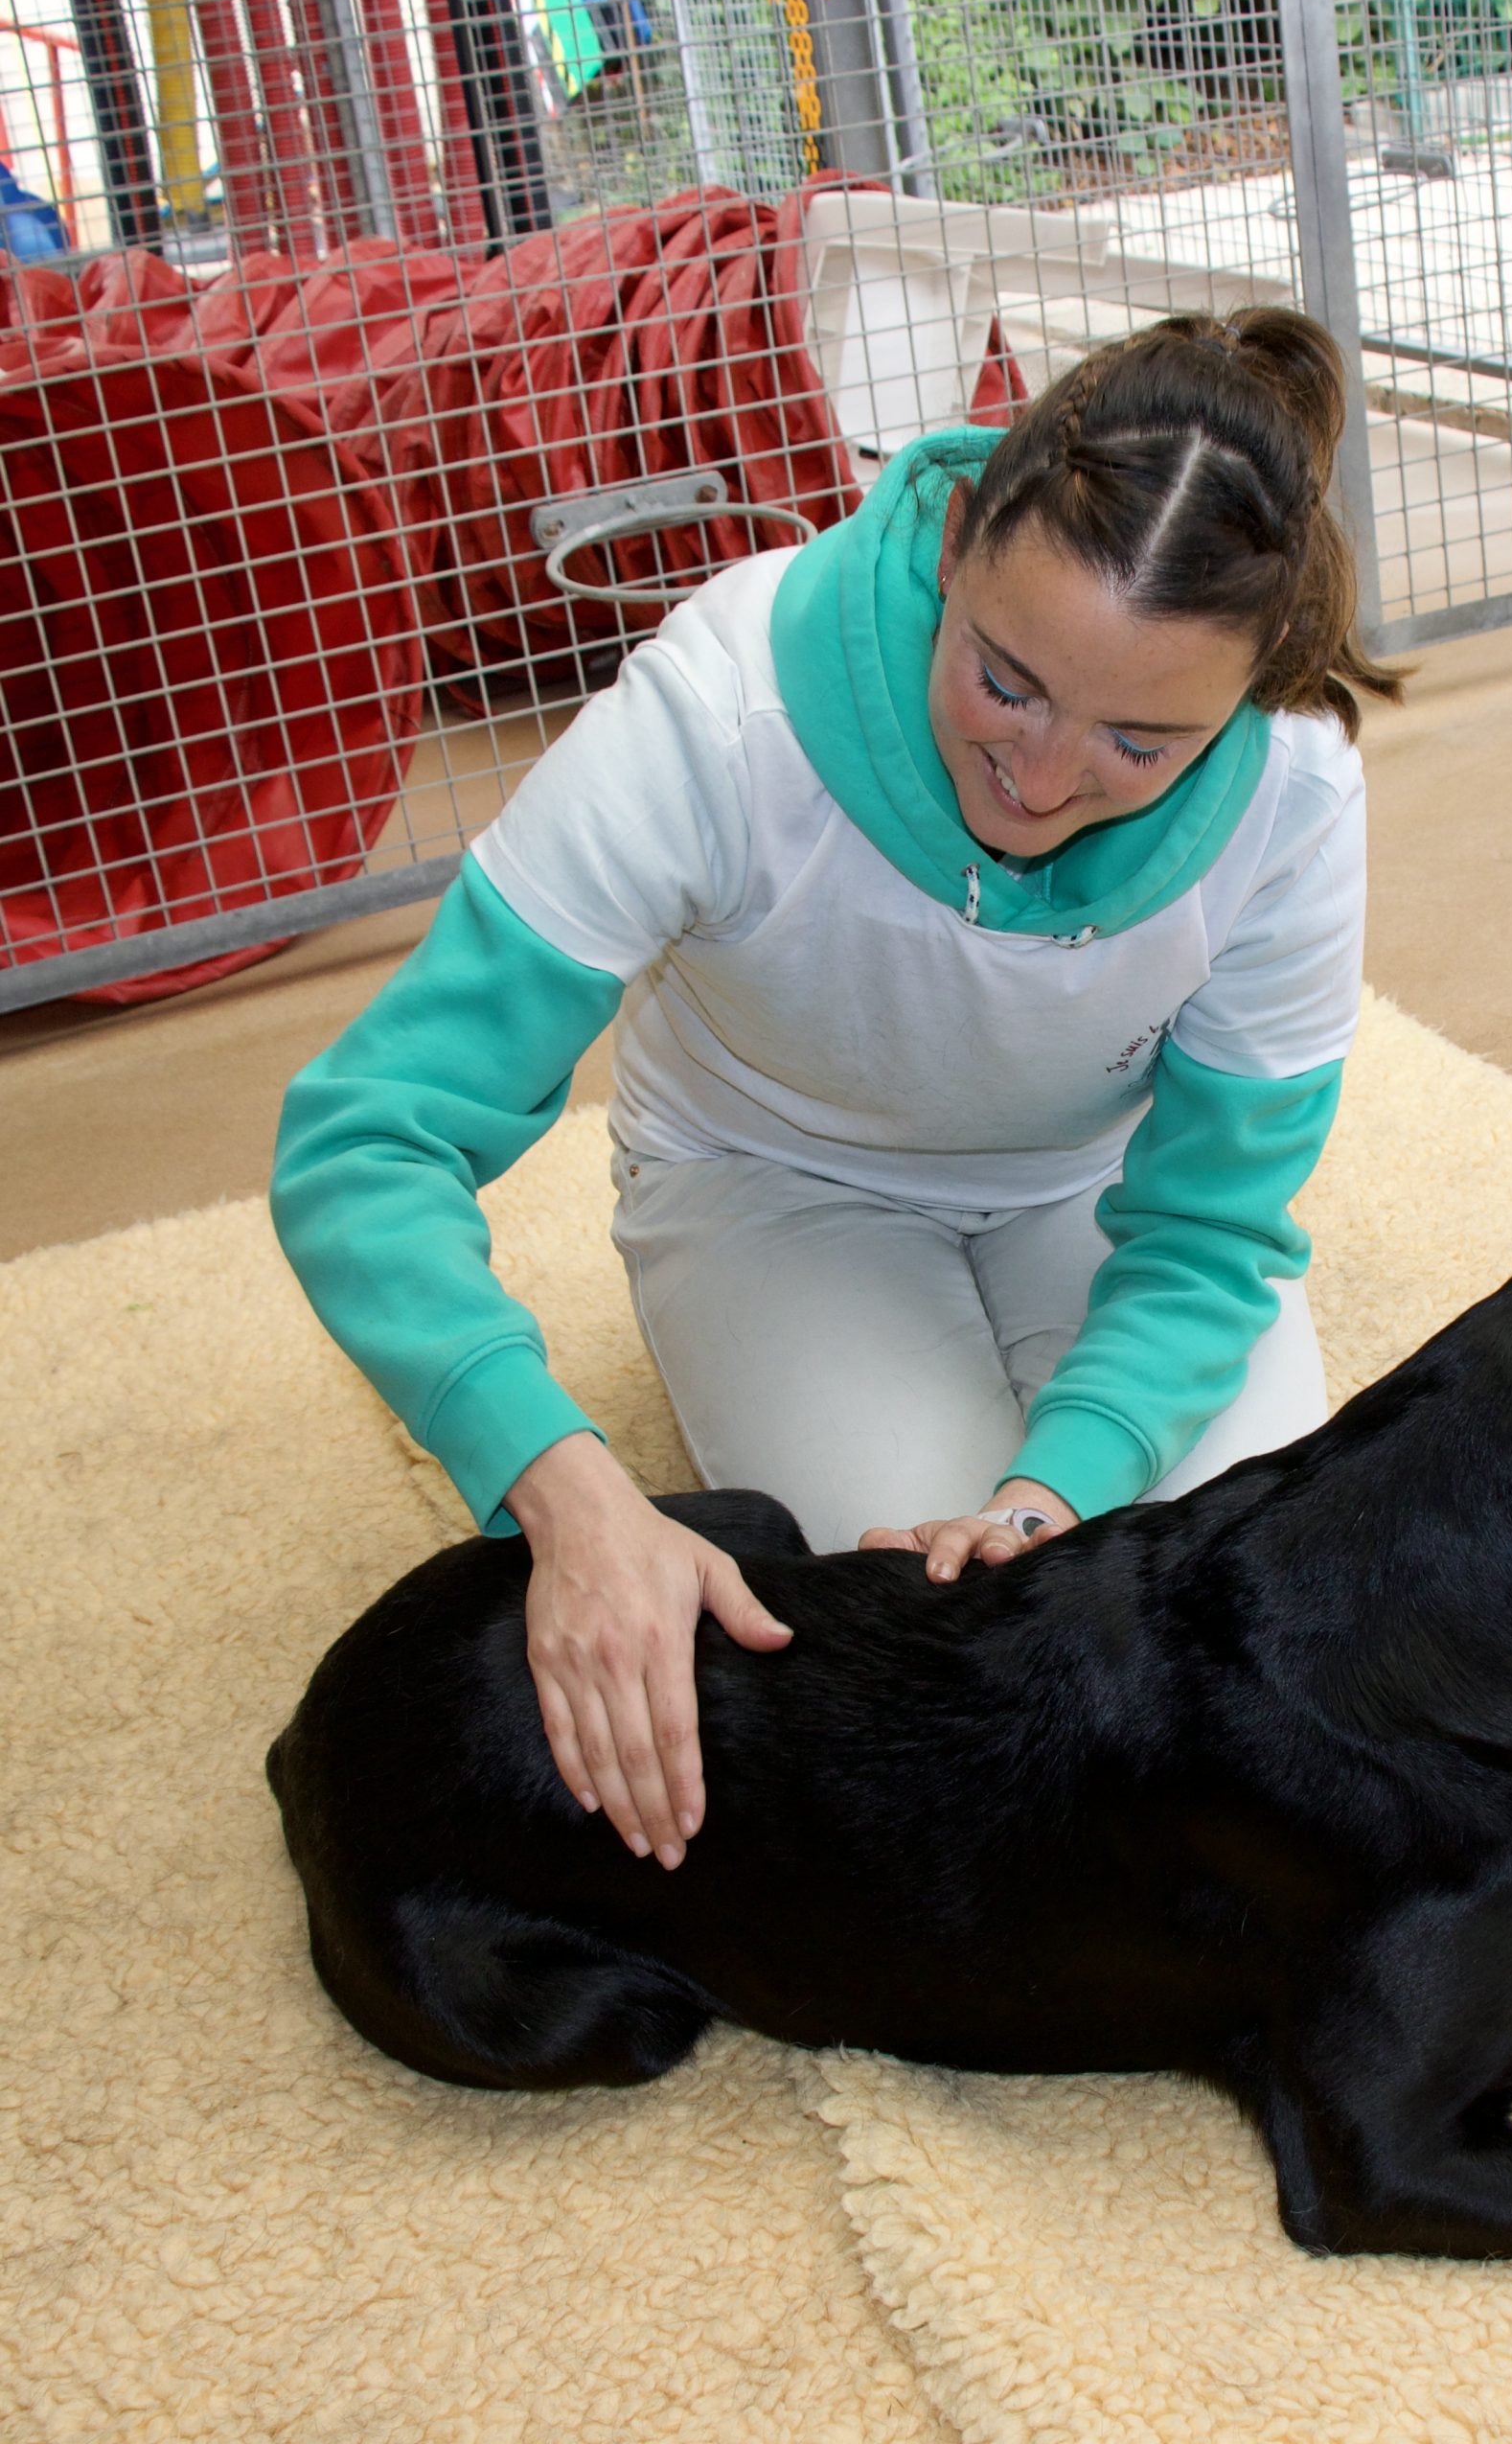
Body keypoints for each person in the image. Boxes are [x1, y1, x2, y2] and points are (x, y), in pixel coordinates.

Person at [272, 306, 1404, 1880]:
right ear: (951, 538)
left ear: (1250, 691)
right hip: (774, 1189)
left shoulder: (1294, 780)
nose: (1047, 776)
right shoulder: (719, 713)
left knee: (1276, 1649)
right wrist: (565, 1493)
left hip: (1097, 1189)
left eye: (1142, 742)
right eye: (1007, 681)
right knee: (951, 1699)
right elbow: (365, 1135)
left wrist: (1051, 1491)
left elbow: (1212, 1226)